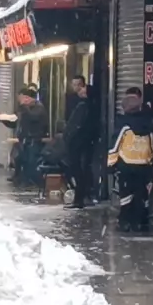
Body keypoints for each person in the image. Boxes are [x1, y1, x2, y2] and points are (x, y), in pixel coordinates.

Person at [107, 91, 153, 231]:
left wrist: (110, 164)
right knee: (142, 193)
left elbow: (115, 145)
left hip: (126, 164)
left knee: (126, 193)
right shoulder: (147, 124)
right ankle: (141, 221)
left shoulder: (124, 125)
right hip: (144, 165)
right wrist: (151, 158)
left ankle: (125, 221)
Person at [0, 87, 49, 187]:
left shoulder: (38, 108)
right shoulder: (25, 109)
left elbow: (32, 118)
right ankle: (20, 178)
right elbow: (17, 122)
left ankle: (32, 182)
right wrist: (4, 120)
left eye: (23, 99)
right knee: (20, 159)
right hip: (23, 138)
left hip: (34, 139)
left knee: (31, 161)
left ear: (28, 98)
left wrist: (24, 108)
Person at [63, 77, 98, 208]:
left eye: (83, 88)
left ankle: (81, 198)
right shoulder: (78, 104)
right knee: (79, 170)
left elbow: (76, 125)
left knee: (79, 170)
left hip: (79, 144)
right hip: (78, 143)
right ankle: (81, 197)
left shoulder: (85, 106)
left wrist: (69, 138)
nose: (80, 90)